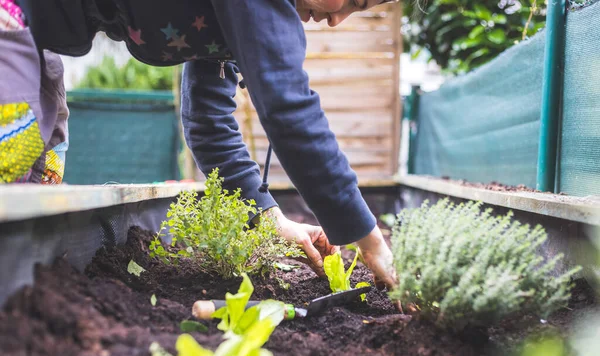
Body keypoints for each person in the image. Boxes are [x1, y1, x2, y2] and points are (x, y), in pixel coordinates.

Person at [3, 0, 398, 290]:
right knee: (11, 160)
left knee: (38, 184)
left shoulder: (247, 18)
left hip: (38, 35)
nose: (336, 20)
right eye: (355, 1)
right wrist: (368, 237)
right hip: (12, 17)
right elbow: (289, 109)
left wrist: (269, 218)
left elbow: (208, 123)